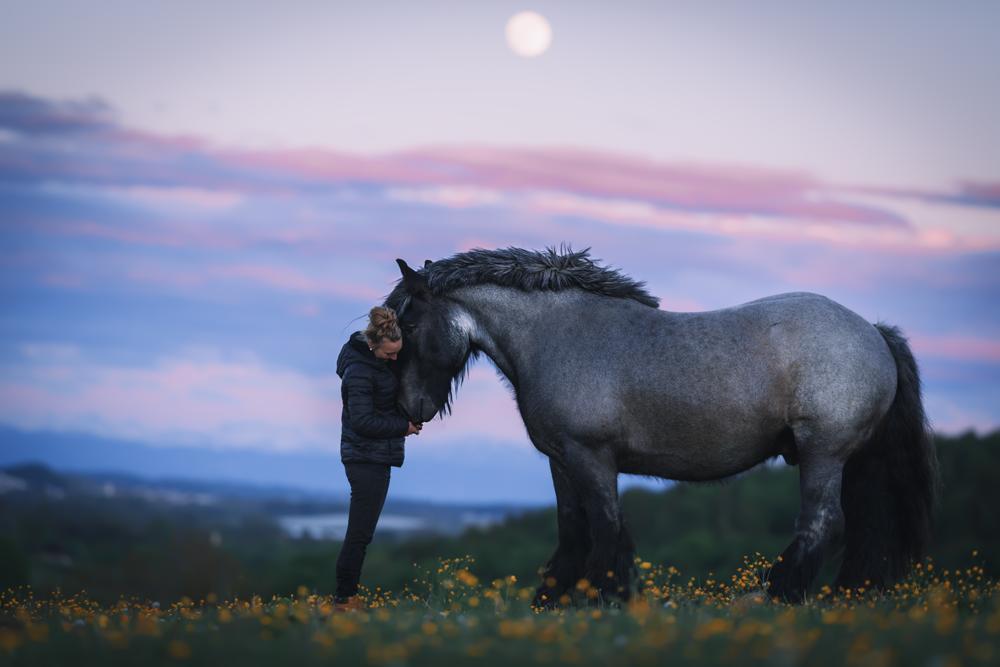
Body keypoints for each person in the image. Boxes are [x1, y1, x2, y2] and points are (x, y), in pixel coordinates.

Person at [333, 306, 422, 611]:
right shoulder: (358, 372)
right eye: (389, 355)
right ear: (373, 346)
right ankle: (344, 599)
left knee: (362, 532)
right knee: (359, 533)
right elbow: (362, 422)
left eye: (398, 354)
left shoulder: (375, 362)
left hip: (375, 456)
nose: (394, 360)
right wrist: (404, 427)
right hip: (364, 458)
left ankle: (346, 597)